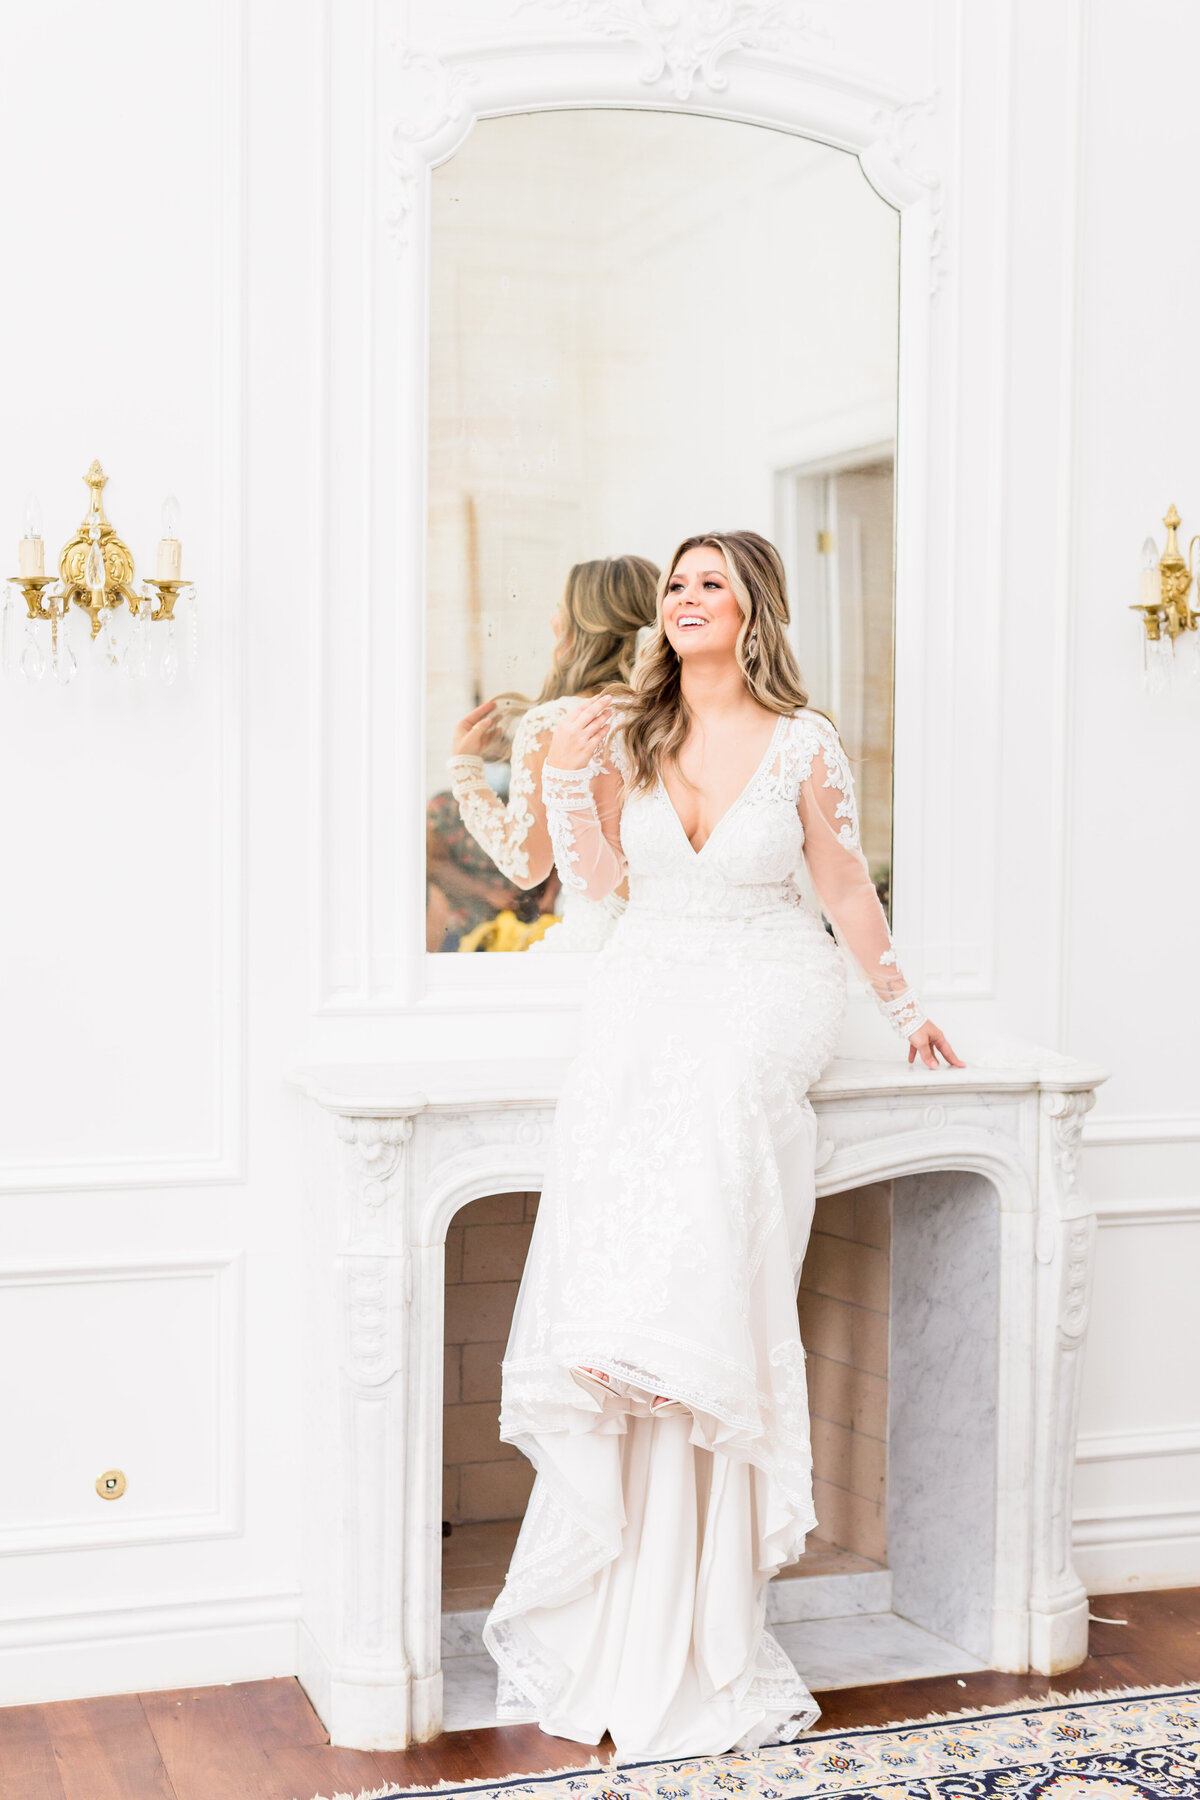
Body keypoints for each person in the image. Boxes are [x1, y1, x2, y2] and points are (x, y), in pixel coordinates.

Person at [482, 530, 962, 1759]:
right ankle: (622, 1360)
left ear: (754, 613)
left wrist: (906, 1010)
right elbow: (591, 886)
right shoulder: (630, 734)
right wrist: (564, 775)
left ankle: (681, 1362)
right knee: (618, 1103)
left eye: (715, 584)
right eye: (679, 584)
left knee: (721, 1106)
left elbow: (845, 887)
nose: (690, 598)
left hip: (765, 976)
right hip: (652, 971)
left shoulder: (802, 740)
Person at [447, 555, 658, 952]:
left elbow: (526, 865)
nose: (552, 622)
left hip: (602, 945)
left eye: (561, 609)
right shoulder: (679, 715)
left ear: (582, 628)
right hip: (683, 935)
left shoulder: (554, 724)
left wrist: (467, 773)